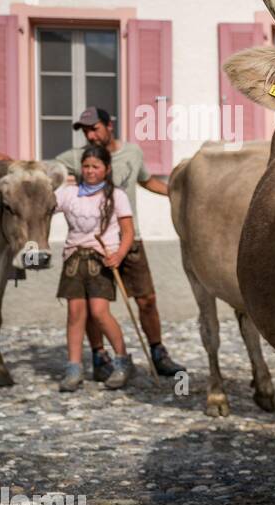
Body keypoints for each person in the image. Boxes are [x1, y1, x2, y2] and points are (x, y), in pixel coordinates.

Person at [57, 108, 184, 380]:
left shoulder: (133, 153)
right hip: (94, 246)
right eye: (85, 131)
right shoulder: (77, 158)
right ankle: (99, 356)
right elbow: (46, 172)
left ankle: (158, 352)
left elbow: (146, 180)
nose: (90, 135)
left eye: (94, 128)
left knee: (147, 298)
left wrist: (177, 193)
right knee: (94, 305)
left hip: (129, 238)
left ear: (109, 126)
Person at [53, 144, 135, 392]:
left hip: (101, 261)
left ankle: (122, 361)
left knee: (99, 312)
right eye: (86, 166)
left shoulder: (116, 196)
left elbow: (128, 231)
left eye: (95, 167)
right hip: (74, 261)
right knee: (75, 314)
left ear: (106, 169)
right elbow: (42, 206)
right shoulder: (69, 193)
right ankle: (74, 368)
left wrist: (119, 255)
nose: (89, 171)